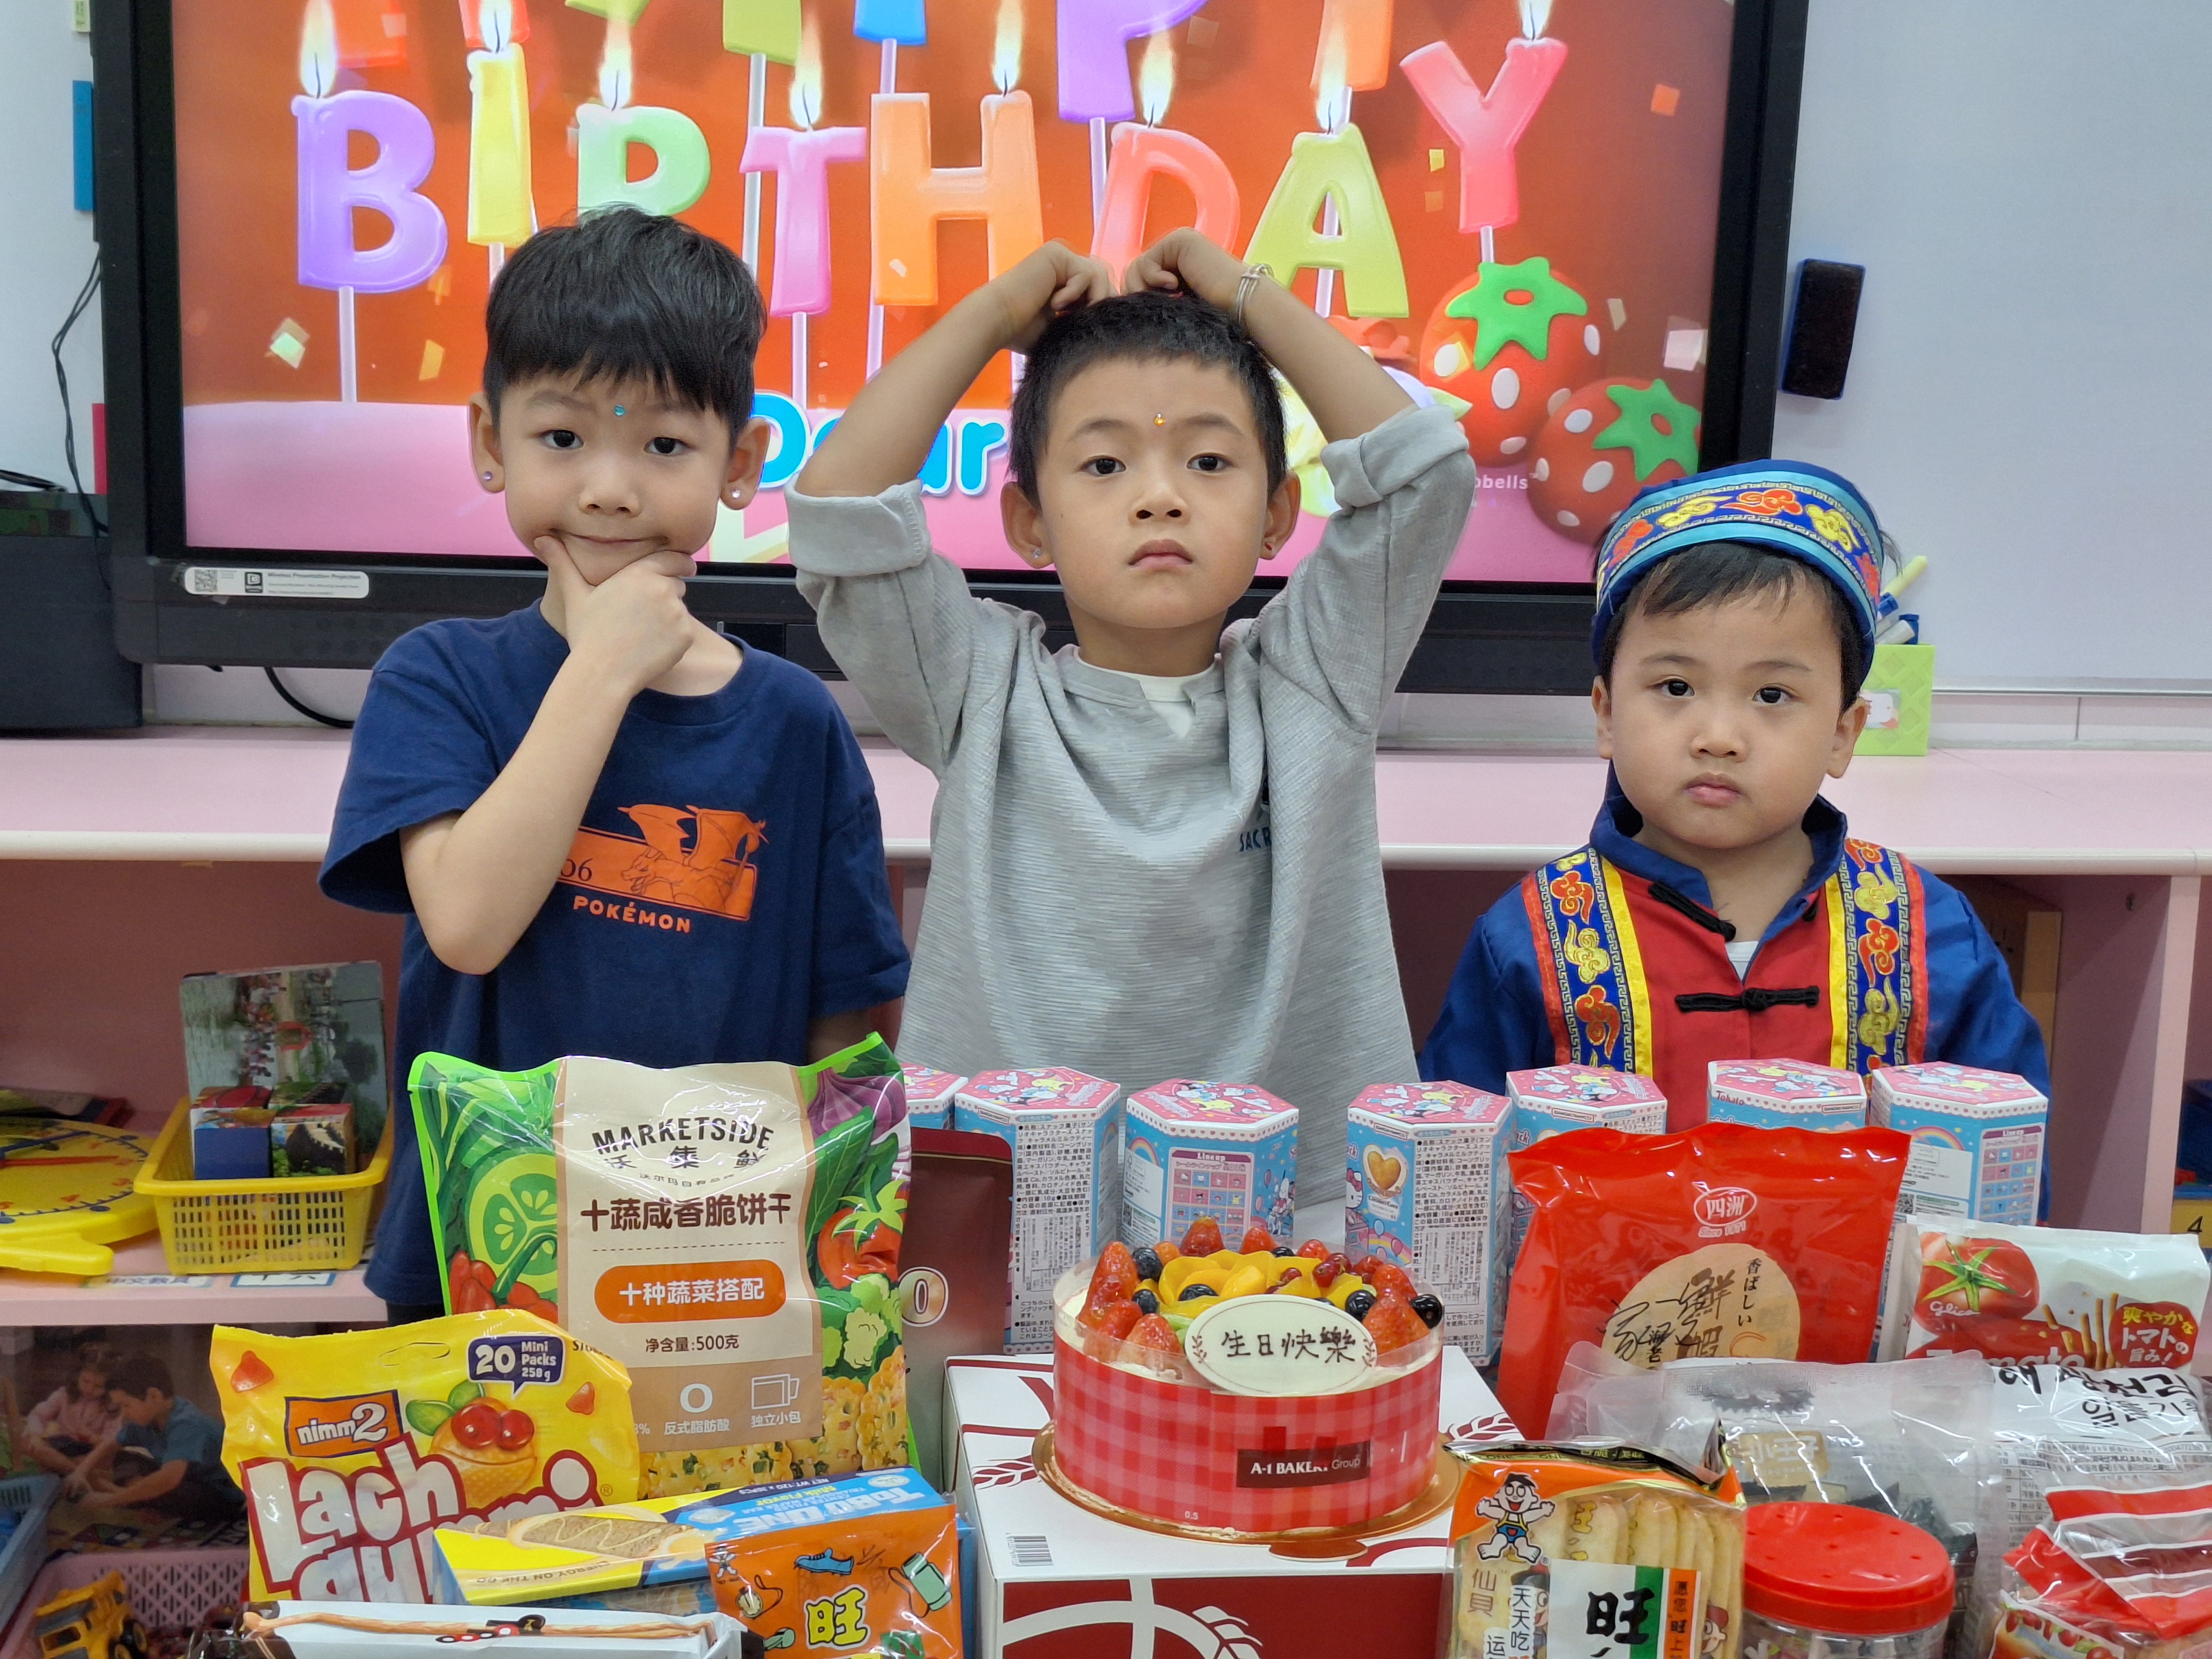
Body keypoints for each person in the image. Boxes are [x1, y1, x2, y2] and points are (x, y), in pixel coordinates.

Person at [787, 230, 1476, 1211]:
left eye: (1208, 459)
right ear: (1030, 523)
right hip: (1003, 1209)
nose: (1160, 498)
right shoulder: (977, 686)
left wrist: (1246, 297)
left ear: (1279, 514)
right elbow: (840, 507)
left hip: (1286, 1221)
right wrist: (993, 315)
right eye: (1106, 464)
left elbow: (1425, 473)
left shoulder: (1316, 679)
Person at [321, 207, 910, 1322]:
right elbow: (468, 925)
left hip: (725, 1263)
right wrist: (602, 667)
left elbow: (848, 1027)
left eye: (664, 446)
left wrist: (831, 1266)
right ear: (490, 442)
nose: (608, 488)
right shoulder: (437, 678)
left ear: (740, 465)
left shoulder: (796, 722)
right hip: (487, 1263)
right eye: (561, 438)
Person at [1422, 461, 2049, 1126]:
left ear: (1844, 732)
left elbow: (2004, 1153)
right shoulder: (1531, 937)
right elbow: (1455, 1152)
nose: (1719, 738)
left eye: (1772, 695)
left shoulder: (1930, 934)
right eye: (1675, 688)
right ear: (1606, 713)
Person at [69, 1354, 242, 1521]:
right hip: (186, 1476)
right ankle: (132, 1496)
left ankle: (127, 1497)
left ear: (154, 1396)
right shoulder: (148, 1417)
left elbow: (168, 1479)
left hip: (219, 1493)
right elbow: (112, 1443)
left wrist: (107, 1501)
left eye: (127, 1405)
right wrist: (80, 1472)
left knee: (167, 1489)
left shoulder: (187, 1424)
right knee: (124, 1459)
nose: (125, 1413)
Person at [21, 1342, 118, 1481]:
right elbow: (38, 1415)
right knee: (29, 1442)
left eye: (98, 1386)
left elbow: (112, 1440)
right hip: (63, 1446)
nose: (89, 1389)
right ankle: (83, 1475)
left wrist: (93, 1438)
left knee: (108, 1457)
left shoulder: (112, 1406)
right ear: (77, 1376)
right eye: (85, 1381)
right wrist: (36, 1435)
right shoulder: (65, 1395)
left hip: (91, 1452)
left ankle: (68, 1470)